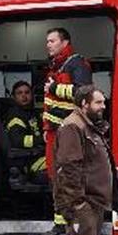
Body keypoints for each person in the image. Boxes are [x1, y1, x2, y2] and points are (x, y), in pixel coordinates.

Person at [52, 84, 113, 235]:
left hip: (92, 201)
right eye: (98, 102)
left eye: (103, 102)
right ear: (84, 104)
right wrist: (77, 203)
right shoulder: (73, 127)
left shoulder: (87, 126)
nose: (103, 106)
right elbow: (69, 168)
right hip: (83, 203)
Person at [42, 28, 92, 164]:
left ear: (65, 43)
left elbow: (84, 93)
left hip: (70, 130)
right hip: (55, 129)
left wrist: (54, 88)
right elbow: (51, 103)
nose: (48, 45)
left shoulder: (77, 64)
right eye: (47, 41)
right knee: (53, 171)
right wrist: (47, 127)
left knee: (66, 171)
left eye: (52, 41)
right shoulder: (56, 65)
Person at [3, 80, 46, 175]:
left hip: (41, 154)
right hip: (30, 161)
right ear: (13, 97)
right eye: (19, 93)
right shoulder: (15, 116)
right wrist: (43, 139)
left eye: (27, 92)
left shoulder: (31, 112)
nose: (24, 96)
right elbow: (19, 141)